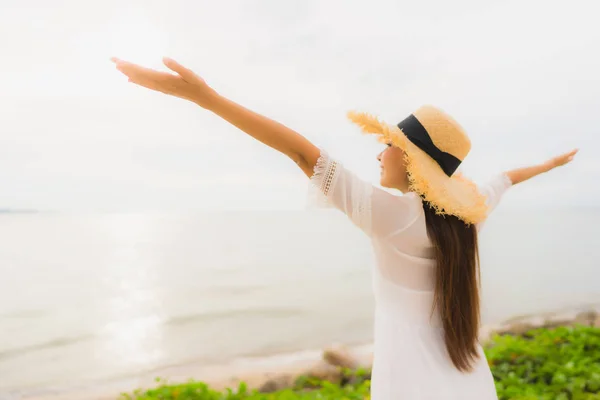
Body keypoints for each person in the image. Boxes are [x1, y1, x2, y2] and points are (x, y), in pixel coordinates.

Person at [110, 57, 578, 399]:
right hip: (470, 382)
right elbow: (505, 180)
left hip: (410, 387)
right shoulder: (467, 215)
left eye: (389, 145)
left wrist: (203, 97)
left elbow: (300, 152)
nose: (379, 153)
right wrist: (549, 164)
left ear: (413, 162)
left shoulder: (393, 217)